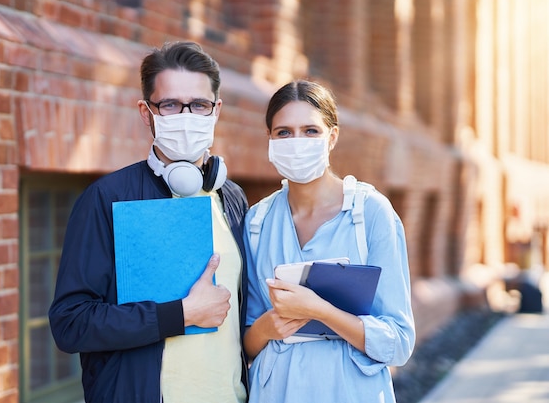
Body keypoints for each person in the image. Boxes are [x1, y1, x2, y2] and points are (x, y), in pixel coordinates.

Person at [49, 41, 249, 403]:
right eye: (170, 105)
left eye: (199, 105)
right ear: (146, 113)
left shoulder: (231, 198)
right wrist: (181, 314)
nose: (186, 116)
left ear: (216, 110)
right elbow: (70, 323)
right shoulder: (107, 198)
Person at [243, 80, 415, 402]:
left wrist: (321, 311)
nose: (297, 141)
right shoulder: (256, 221)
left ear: (332, 137)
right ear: (269, 139)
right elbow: (246, 341)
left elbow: (399, 342)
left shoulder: (370, 213)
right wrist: (267, 327)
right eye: (284, 132)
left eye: (310, 130)